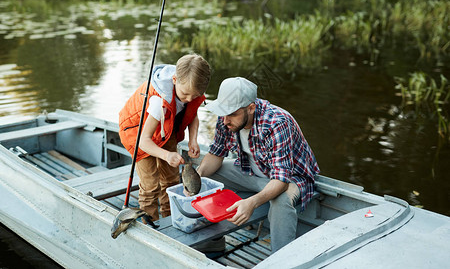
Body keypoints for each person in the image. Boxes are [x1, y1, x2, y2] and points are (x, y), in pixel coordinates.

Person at [197, 77, 320, 253]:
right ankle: (213, 241)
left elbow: (281, 180)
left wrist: (252, 202)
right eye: (224, 113)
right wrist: (197, 176)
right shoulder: (226, 118)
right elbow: (216, 154)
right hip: (252, 171)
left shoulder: (278, 122)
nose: (225, 120)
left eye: (231, 114)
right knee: (207, 179)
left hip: (292, 178)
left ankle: (281, 262)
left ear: (251, 108)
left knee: (282, 200)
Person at [119, 54, 211, 221]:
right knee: (150, 185)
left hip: (165, 130)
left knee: (171, 180)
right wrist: (166, 155)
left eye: (195, 96)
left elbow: (193, 115)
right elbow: (143, 141)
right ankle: (150, 223)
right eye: (185, 94)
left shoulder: (189, 91)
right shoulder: (158, 101)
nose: (189, 99)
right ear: (175, 80)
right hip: (139, 136)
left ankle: (171, 218)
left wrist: (193, 139)